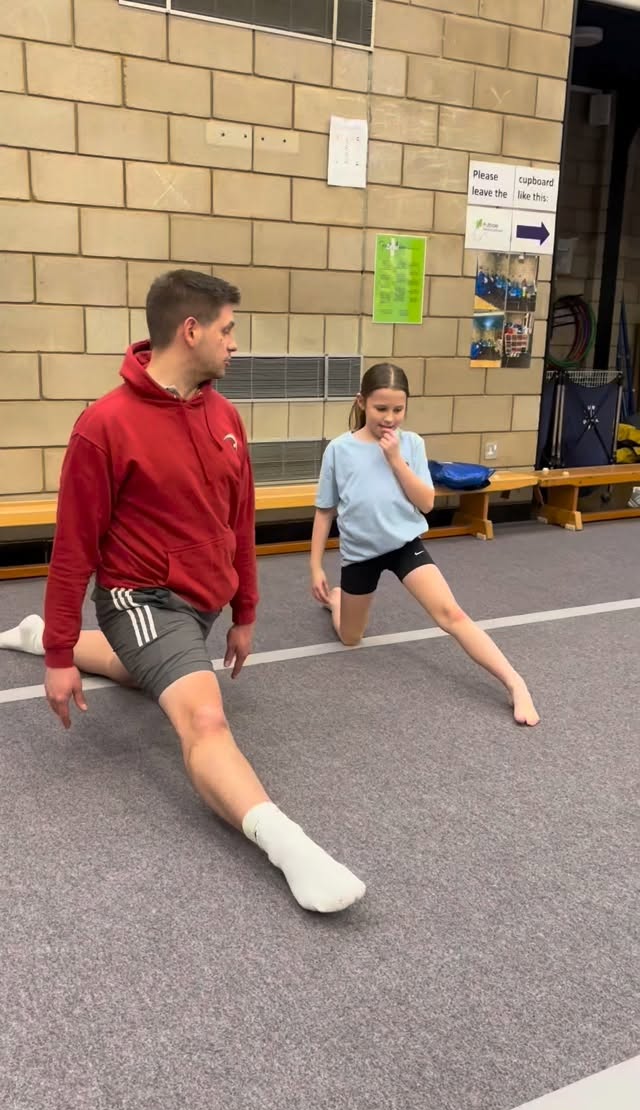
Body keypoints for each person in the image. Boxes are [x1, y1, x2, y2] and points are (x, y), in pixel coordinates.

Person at [0, 269, 365, 914]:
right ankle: (292, 850)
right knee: (203, 716)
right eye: (228, 330)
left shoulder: (224, 416)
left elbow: (239, 519)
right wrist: (59, 657)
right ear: (189, 330)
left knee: (149, 674)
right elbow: (73, 552)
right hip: (139, 598)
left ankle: (31, 633)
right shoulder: (103, 427)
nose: (235, 345)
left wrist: (245, 611)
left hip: (199, 601)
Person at [309, 362, 540, 727]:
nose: (389, 418)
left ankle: (514, 682)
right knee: (351, 638)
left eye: (397, 410)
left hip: (404, 546)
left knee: (452, 614)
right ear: (361, 403)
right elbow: (325, 512)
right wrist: (315, 566)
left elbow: (427, 503)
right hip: (359, 555)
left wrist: (395, 458)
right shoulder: (339, 450)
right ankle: (339, 599)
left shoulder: (411, 444)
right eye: (380, 409)